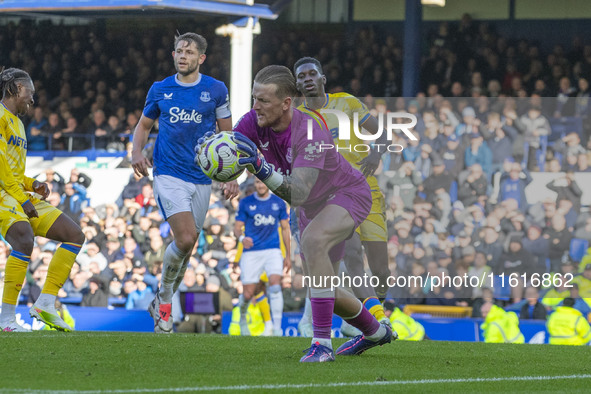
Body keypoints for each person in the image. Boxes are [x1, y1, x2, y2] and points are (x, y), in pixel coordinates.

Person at [222, 65, 393, 362]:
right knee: (324, 287)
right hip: (311, 207)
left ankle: (322, 345)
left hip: (346, 193)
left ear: (286, 103)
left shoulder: (312, 129)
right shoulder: (253, 120)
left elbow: (297, 192)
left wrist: (261, 169)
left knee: (313, 241)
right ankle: (376, 332)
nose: (255, 107)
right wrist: (219, 163)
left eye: (263, 101)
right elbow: (231, 149)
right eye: (254, 98)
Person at [131, 32, 238, 333]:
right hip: (167, 172)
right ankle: (165, 301)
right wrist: (136, 151)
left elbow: (226, 136)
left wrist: (231, 177)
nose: (183, 56)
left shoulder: (216, 89)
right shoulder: (160, 88)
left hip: (202, 177)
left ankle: (162, 301)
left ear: (201, 58)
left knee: (186, 248)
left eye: (189, 52)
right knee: (187, 238)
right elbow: (143, 125)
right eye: (179, 51)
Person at [293, 57, 391, 331]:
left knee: (381, 269)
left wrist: (375, 153)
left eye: (313, 73)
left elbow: (383, 135)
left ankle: (373, 306)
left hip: (364, 188)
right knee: (352, 256)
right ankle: (375, 321)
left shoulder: (346, 103)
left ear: (323, 78)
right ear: (297, 84)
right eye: (302, 76)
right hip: (329, 195)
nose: (308, 79)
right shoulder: (298, 118)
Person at [0, 68, 85, 332]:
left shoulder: (18, 123)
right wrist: (20, 195)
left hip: (17, 190)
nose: (32, 100)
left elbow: (11, 169)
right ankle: (6, 320)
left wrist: (32, 184)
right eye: (30, 93)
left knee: (74, 235)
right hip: (3, 194)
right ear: (15, 88)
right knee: (24, 239)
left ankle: (46, 303)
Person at [234, 178, 291, 336]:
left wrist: (288, 255)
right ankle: (243, 318)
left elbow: (286, 229)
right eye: (258, 183)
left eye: (262, 182)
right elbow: (237, 228)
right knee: (248, 293)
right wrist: (241, 239)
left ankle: (277, 328)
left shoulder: (278, 203)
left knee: (274, 285)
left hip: (273, 250)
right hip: (252, 252)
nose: (260, 185)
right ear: (255, 185)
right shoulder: (246, 203)